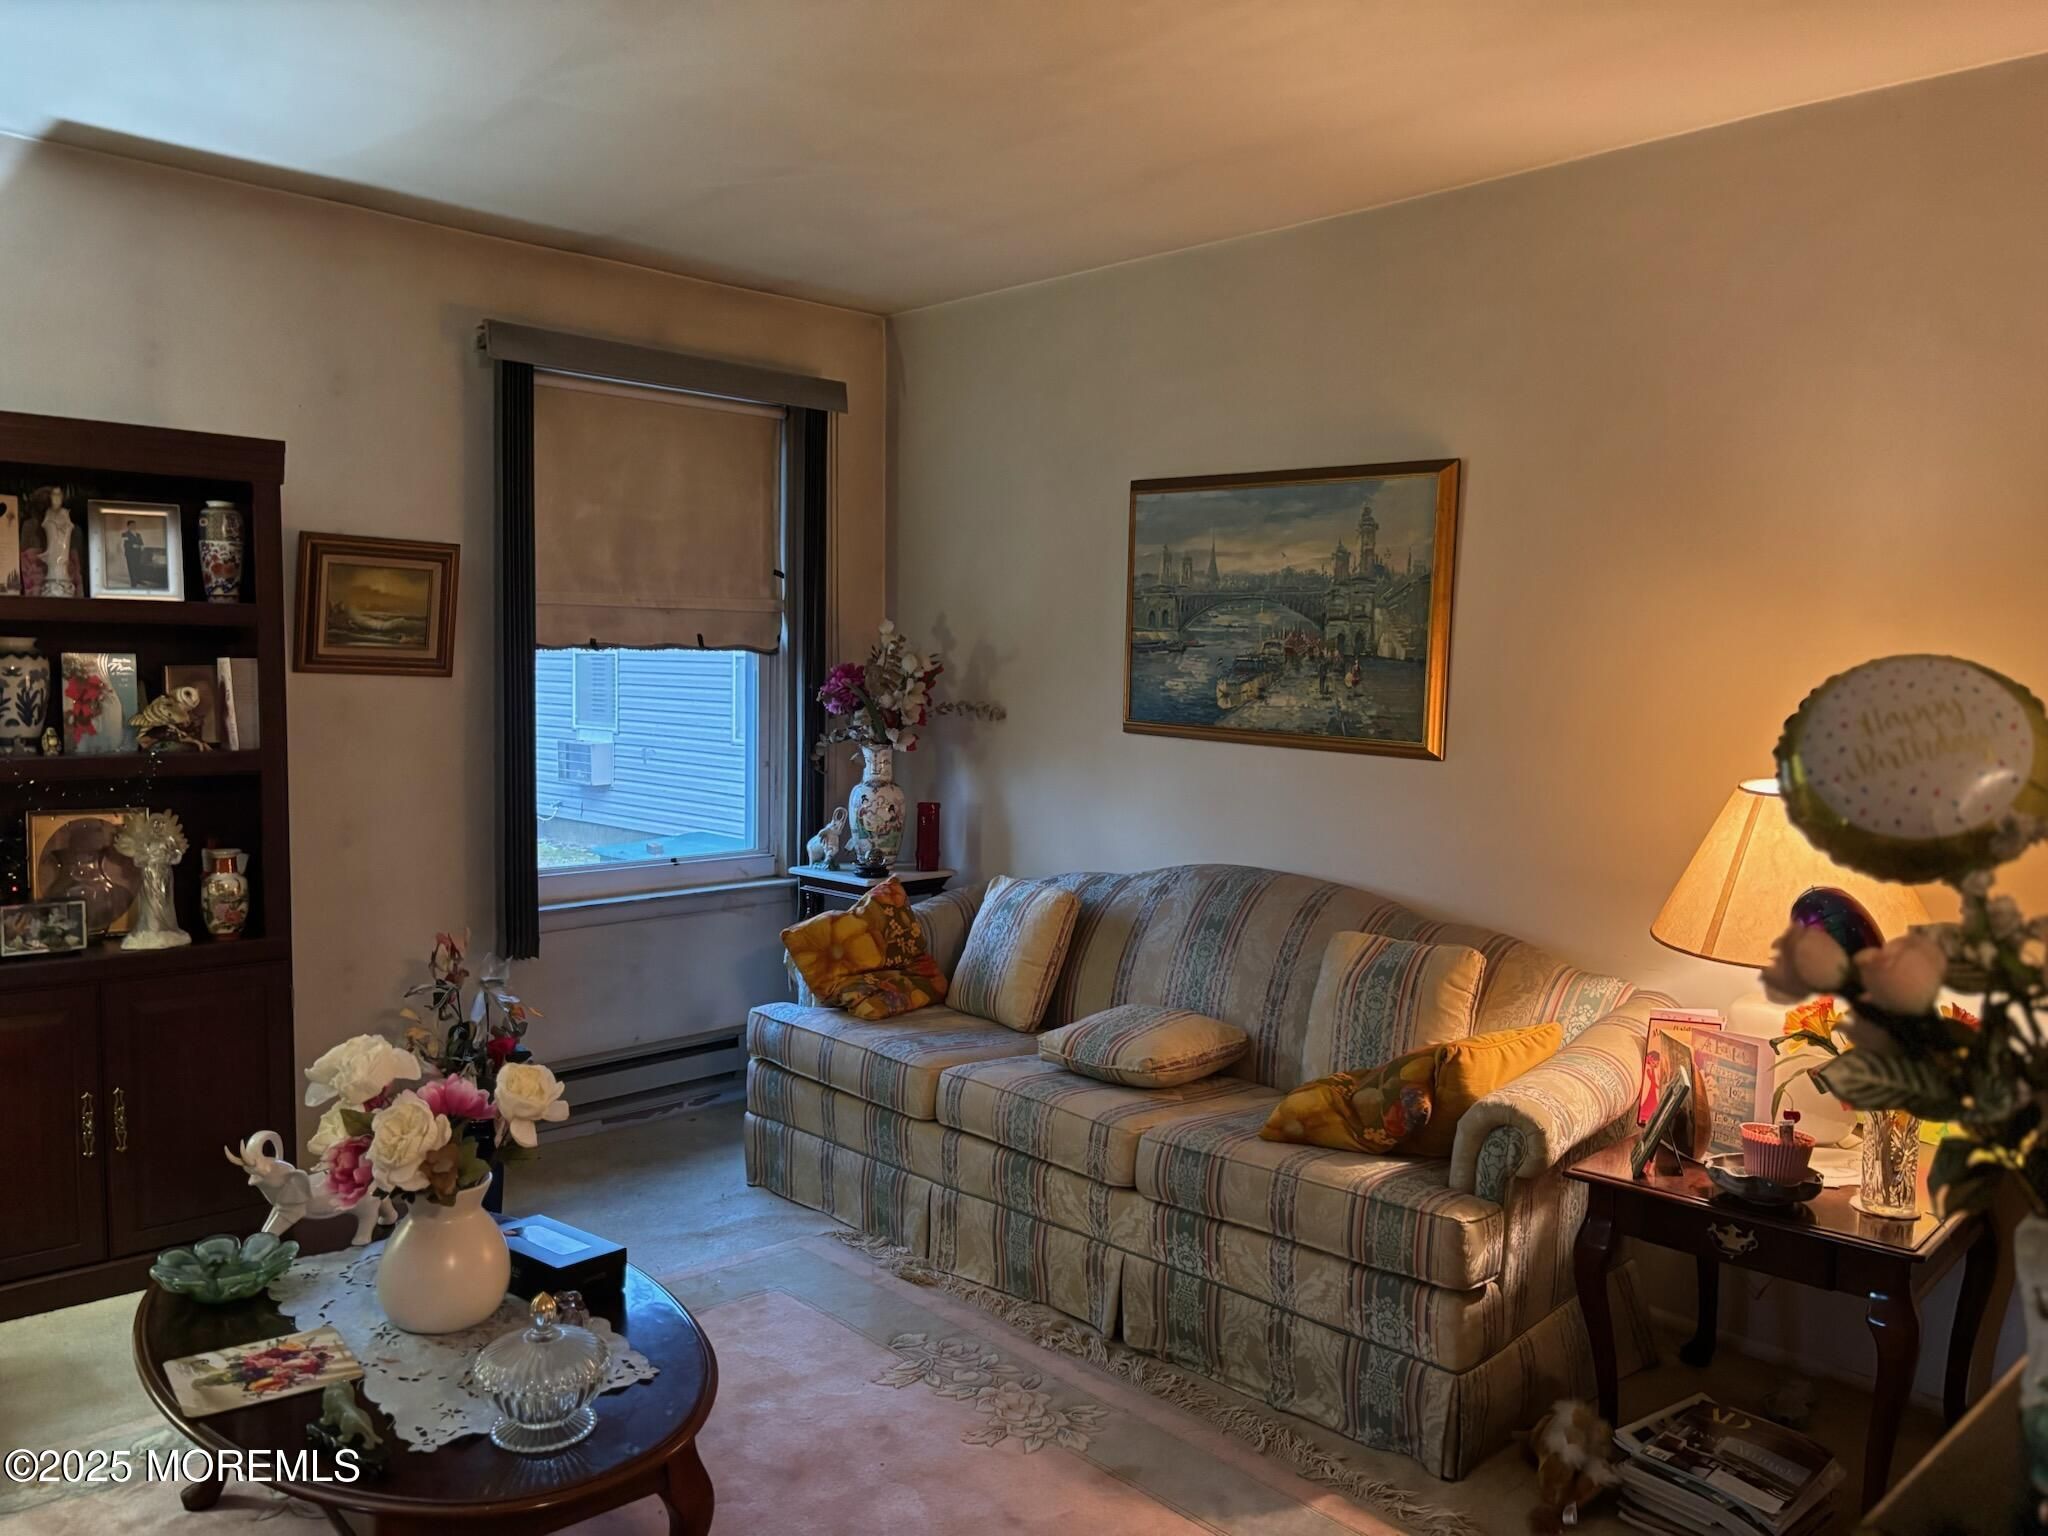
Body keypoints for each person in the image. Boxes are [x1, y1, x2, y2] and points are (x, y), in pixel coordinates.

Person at [121, 520, 147, 587]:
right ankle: (133, 583)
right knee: (132, 568)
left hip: (138, 553)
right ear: (128, 526)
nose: (133, 526)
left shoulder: (138, 534)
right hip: (130, 554)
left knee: (138, 567)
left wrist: (142, 546)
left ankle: (138, 580)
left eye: (134, 525)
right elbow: (125, 544)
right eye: (132, 525)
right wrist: (133, 546)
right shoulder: (124, 534)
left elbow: (141, 542)